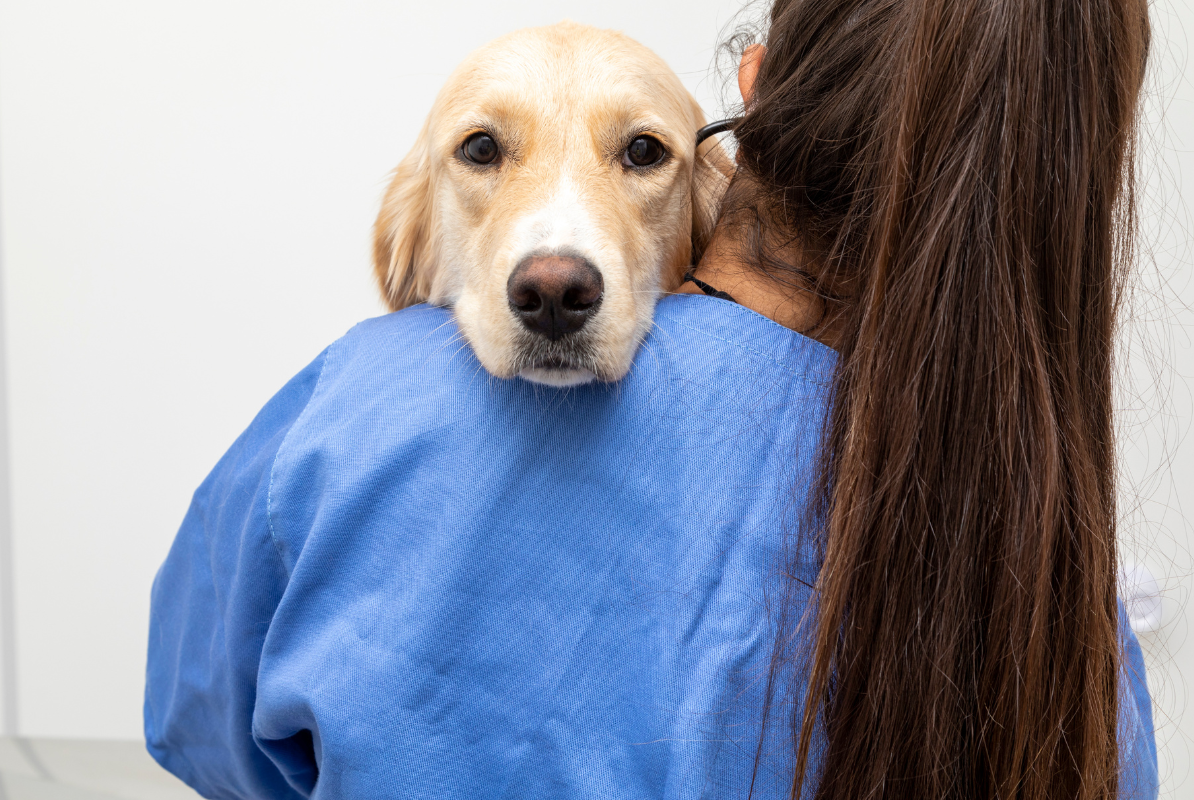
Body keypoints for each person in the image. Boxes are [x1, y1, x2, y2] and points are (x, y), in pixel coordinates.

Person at [145, 0, 1158, 798]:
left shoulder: (348, 415)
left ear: (755, 93)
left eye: (639, 154)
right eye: (486, 151)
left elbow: (206, 727)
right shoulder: (1056, 588)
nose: (555, 267)